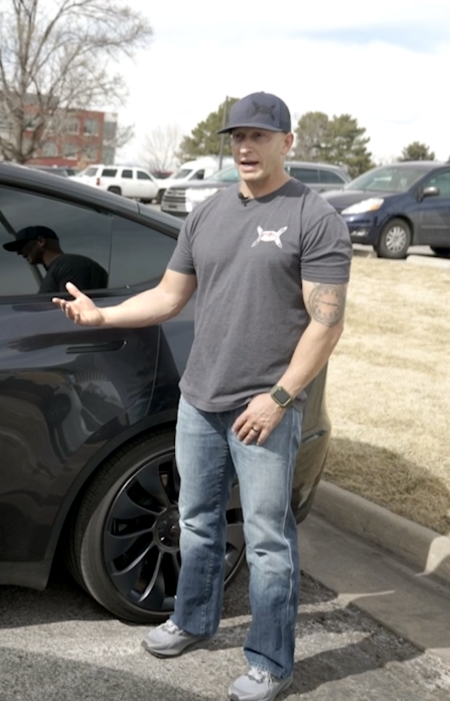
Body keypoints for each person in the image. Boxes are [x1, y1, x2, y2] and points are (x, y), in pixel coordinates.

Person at [53, 92, 350, 701]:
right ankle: (192, 619)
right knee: (195, 520)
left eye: (259, 137)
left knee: (268, 540)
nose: (245, 147)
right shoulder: (208, 213)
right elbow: (168, 296)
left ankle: (270, 661)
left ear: (286, 143)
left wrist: (279, 399)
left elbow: (327, 324)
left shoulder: (313, 217)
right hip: (199, 400)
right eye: (237, 137)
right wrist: (102, 317)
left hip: (263, 407)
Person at [3, 225, 109, 293]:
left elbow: (71, 311)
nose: (19, 253)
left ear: (41, 241)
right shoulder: (59, 268)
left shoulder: (70, 265)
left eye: (22, 246)